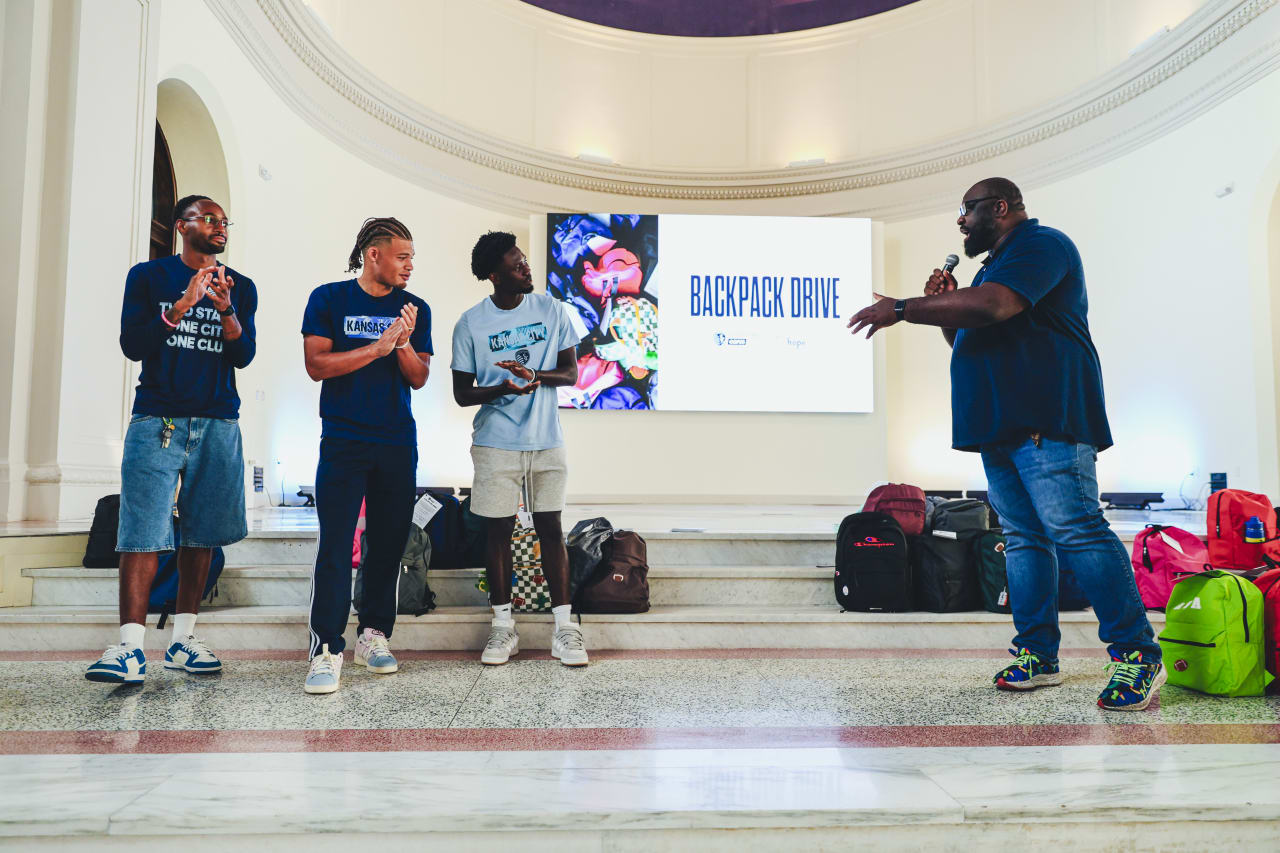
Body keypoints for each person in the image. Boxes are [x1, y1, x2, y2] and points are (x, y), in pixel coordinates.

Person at [846, 177, 1165, 712]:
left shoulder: (1042, 245)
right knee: (1023, 539)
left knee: (1077, 530)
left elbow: (994, 307)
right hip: (1001, 425)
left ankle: (1137, 653)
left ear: (999, 207)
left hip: (1045, 415)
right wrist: (946, 311)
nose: (960, 222)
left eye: (967, 210)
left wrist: (904, 308)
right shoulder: (990, 268)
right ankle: (1039, 654)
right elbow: (974, 335)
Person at [87, 195, 257, 684]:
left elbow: (243, 355)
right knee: (140, 531)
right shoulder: (147, 277)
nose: (220, 227)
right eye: (209, 219)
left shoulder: (240, 287)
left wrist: (226, 311)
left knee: (202, 533)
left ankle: (183, 640)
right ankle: (129, 650)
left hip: (218, 421)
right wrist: (183, 304)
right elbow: (132, 344)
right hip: (157, 418)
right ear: (183, 226)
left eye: (225, 221)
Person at [300, 217, 432, 694]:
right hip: (342, 438)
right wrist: (377, 347)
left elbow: (418, 377)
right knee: (335, 543)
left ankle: (373, 634)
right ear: (374, 254)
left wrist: (400, 345)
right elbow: (318, 365)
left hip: (397, 440)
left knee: (387, 542)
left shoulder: (415, 309)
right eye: (403, 256)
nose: (410, 266)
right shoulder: (329, 299)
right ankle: (327, 647)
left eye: (412, 257)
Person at [452, 232, 585, 666]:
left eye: (525, 260)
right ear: (494, 275)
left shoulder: (552, 309)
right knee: (497, 534)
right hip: (495, 444)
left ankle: (565, 629)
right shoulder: (471, 323)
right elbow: (462, 393)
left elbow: (569, 374)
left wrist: (533, 375)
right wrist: (502, 388)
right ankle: (502, 627)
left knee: (552, 530)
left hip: (547, 440)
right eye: (516, 264)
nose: (526, 267)